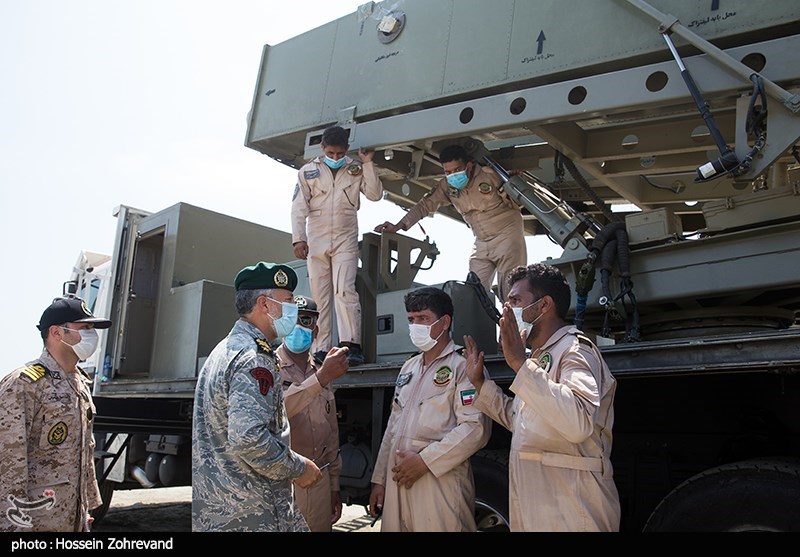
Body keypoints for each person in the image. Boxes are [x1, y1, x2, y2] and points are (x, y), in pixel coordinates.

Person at [463, 262, 621, 531]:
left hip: (572, 510)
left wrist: (519, 366)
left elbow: (578, 422)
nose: (506, 309)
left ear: (545, 305)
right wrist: (480, 384)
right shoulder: (538, 357)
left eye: (515, 300)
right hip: (539, 505)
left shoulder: (574, 350)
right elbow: (523, 422)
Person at [192, 261, 322, 532]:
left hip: (223, 510)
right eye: (287, 302)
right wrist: (299, 468)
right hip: (253, 513)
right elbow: (249, 439)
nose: (293, 310)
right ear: (265, 305)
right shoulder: (254, 359)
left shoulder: (224, 350)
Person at [368, 286, 491, 532]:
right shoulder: (409, 367)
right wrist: (379, 481)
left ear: (445, 322)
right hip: (398, 479)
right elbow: (393, 427)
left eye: (423, 318)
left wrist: (425, 462)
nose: (415, 326)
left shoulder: (463, 366)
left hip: (438, 481)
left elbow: (475, 429)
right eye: (411, 320)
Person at [0, 295, 111, 532]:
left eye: (93, 327)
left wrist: (87, 507)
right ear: (56, 333)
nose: (92, 334)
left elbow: (85, 450)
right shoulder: (24, 384)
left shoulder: (80, 383)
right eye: (85, 327)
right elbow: (8, 462)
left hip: (71, 520)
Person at [374, 143, 526, 303]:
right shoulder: (447, 186)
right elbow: (425, 205)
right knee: (474, 292)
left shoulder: (489, 176)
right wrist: (399, 226)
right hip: (482, 242)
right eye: (448, 172)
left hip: (507, 235)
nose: (453, 175)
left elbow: (518, 201)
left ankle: (518, 327)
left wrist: (517, 183)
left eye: (457, 170)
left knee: (512, 291)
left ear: (469, 165)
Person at [291, 125, 384, 367]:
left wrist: (367, 165)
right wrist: (298, 238)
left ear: (346, 149)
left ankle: (351, 345)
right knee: (319, 297)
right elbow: (298, 207)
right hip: (316, 238)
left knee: (344, 290)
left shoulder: (355, 168)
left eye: (340, 153)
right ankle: (321, 349)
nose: (335, 158)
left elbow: (374, 195)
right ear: (322, 149)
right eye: (331, 153)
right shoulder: (308, 171)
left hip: (345, 236)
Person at [277, 294, 349, 532]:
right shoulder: (267, 366)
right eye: (292, 320)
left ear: (316, 329)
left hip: (319, 482)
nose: (298, 327)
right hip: (283, 482)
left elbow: (331, 434)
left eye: (305, 320)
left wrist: (334, 486)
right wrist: (320, 379)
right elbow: (276, 413)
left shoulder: (321, 371)